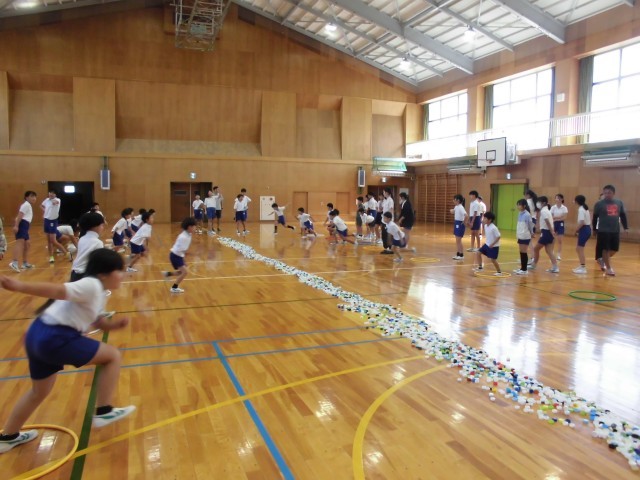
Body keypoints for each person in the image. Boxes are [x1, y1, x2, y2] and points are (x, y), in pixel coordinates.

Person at [0, 249, 136, 454]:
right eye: (119, 270)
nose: (123, 275)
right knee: (112, 356)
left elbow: (98, 321)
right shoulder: (90, 285)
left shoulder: (98, 290)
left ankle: (8, 437)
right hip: (55, 337)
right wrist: (19, 286)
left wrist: (115, 325)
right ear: (103, 274)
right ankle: (104, 410)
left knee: (38, 392)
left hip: (37, 334)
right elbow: (57, 291)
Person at [592, 184, 628, 276]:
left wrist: (626, 227)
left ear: (613, 193)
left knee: (614, 249)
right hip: (603, 230)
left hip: (615, 230)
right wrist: (594, 229)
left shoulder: (619, 202)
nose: (607, 194)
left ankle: (602, 259)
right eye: (605, 193)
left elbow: (623, 215)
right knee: (605, 249)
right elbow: (595, 217)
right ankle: (608, 268)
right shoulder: (599, 204)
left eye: (609, 193)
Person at [162, 217, 196, 293]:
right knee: (185, 272)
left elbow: (182, 251)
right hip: (175, 256)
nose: (195, 228)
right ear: (189, 227)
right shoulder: (184, 237)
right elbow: (182, 250)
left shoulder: (188, 234)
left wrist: (184, 259)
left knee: (181, 272)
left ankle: (167, 274)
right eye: (194, 226)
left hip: (177, 255)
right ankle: (174, 288)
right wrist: (192, 254)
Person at [71, 213, 106, 282]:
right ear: (96, 227)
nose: (103, 228)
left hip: (75, 273)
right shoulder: (97, 242)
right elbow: (98, 263)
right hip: (84, 275)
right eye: (102, 225)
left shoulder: (82, 239)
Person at [9, 191, 37, 273]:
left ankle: (25, 263)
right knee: (19, 243)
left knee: (27, 244)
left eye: (35, 196)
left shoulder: (28, 205)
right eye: (32, 196)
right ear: (26, 197)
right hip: (22, 224)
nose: (34, 198)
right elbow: (20, 215)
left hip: (25, 225)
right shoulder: (26, 205)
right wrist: (16, 226)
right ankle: (14, 262)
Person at [530, 196, 559, 273]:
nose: (538, 203)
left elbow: (547, 221)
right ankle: (555, 267)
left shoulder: (544, 211)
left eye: (539, 202)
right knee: (549, 251)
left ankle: (534, 265)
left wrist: (552, 231)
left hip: (546, 232)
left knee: (536, 249)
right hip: (547, 232)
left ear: (544, 203)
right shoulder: (546, 210)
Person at [41, 190, 70, 264]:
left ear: (55, 194)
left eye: (53, 193)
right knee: (48, 240)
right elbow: (41, 205)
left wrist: (53, 201)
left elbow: (55, 203)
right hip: (46, 221)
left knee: (53, 240)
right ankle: (51, 257)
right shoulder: (46, 200)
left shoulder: (57, 200)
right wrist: (45, 212)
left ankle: (66, 253)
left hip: (53, 221)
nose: (51, 194)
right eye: (50, 193)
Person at [513, 199, 534, 275]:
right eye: (517, 204)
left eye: (519, 205)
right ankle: (522, 268)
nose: (518, 206)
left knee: (524, 252)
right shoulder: (520, 213)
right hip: (520, 235)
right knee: (521, 252)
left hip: (525, 235)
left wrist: (532, 233)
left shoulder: (527, 215)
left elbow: (530, 225)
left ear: (524, 206)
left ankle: (524, 269)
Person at [572, 195, 592, 274]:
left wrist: (576, 230)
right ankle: (581, 266)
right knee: (578, 248)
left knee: (580, 249)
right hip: (586, 229)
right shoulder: (584, 208)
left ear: (577, 201)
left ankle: (583, 268)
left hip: (584, 229)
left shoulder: (581, 209)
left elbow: (582, 222)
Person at [550, 194, 568, 261]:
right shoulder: (553, 207)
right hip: (554, 223)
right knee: (552, 239)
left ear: (561, 199)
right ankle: (551, 253)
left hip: (560, 224)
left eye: (558, 198)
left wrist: (556, 218)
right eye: (556, 198)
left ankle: (558, 255)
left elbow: (564, 217)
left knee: (560, 240)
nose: (556, 199)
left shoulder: (564, 208)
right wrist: (559, 217)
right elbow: (551, 217)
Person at [451, 194, 467, 260]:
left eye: (454, 199)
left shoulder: (460, 207)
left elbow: (466, 215)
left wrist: (464, 222)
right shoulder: (456, 206)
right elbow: (454, 212)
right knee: (457, 240)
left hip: (460, 224)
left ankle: (461, 255)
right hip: (456, 223)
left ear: (458, 200)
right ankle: (458, 254)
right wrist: (452, 211)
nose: (453, 200)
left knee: (458, 240)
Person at [524, 190, 538, 262]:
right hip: (534, 220)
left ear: (528, 195)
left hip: (529, 220)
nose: (525, 196)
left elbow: (527, 213)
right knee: (529, 240)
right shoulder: (535, 202)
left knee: (528, 241)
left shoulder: (528, 202)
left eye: (525, 195)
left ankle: (532, 257)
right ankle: (530, 256)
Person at [380, 188, 394, 255]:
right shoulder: (385, 200)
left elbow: (391, 210)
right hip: (384, 220)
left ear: (387, 193)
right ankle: (386, 248)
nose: (383, 193)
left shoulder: (390, 200)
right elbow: (383, 209)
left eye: (384, 192)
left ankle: (390, 248)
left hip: (388, 221)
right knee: (384, 235)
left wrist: (389, 220)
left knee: (388, 235)